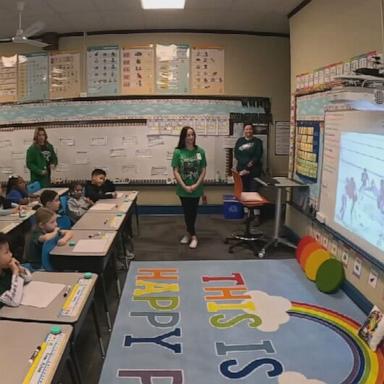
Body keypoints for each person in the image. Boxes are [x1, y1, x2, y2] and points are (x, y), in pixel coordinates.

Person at [171, 126, 206, 249]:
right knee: (187, 212)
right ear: (183, 137)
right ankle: (193, 235)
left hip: (196, 188)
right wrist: (185, 186)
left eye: (192, 135)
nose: (191, 137)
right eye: (188, 135)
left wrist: (196, 185)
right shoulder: (178, 152)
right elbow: (176, 171)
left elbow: (203, 170)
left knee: (193, 212)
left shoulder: (200, 152)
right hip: (183, 189)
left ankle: (190, 234)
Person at [0, 233, 32, 308]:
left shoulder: (6, 269)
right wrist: (15, 273)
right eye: (6, 252)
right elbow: (14, 301)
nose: (11, 254)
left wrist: (19, 268)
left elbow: (28, 278)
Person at [234, 123, 263, 192]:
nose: (248, 131)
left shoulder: (257, 142)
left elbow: (257, 156)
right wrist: (243, 169)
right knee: (242, 192)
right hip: (241, 172)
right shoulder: (240, 141)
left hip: (254, 172)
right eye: (246, 129)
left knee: (253, 193)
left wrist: (247, 169)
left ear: (253, 130)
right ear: (244, 130)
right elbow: (236, 154)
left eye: (250, 129)